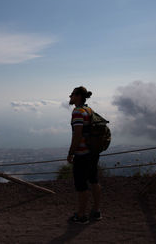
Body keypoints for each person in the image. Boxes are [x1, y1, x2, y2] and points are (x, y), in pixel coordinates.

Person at [67, 86, 102, 224]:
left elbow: (77, 134)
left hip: (82, 154)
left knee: (81, 185)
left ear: (78, 96)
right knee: (94, 181)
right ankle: (96, 211)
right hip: (93, 152)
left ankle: (81, 215)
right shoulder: (89, 110)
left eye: (72, 95)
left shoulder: (77, 112)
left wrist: (71, 153)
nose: (70, 97)